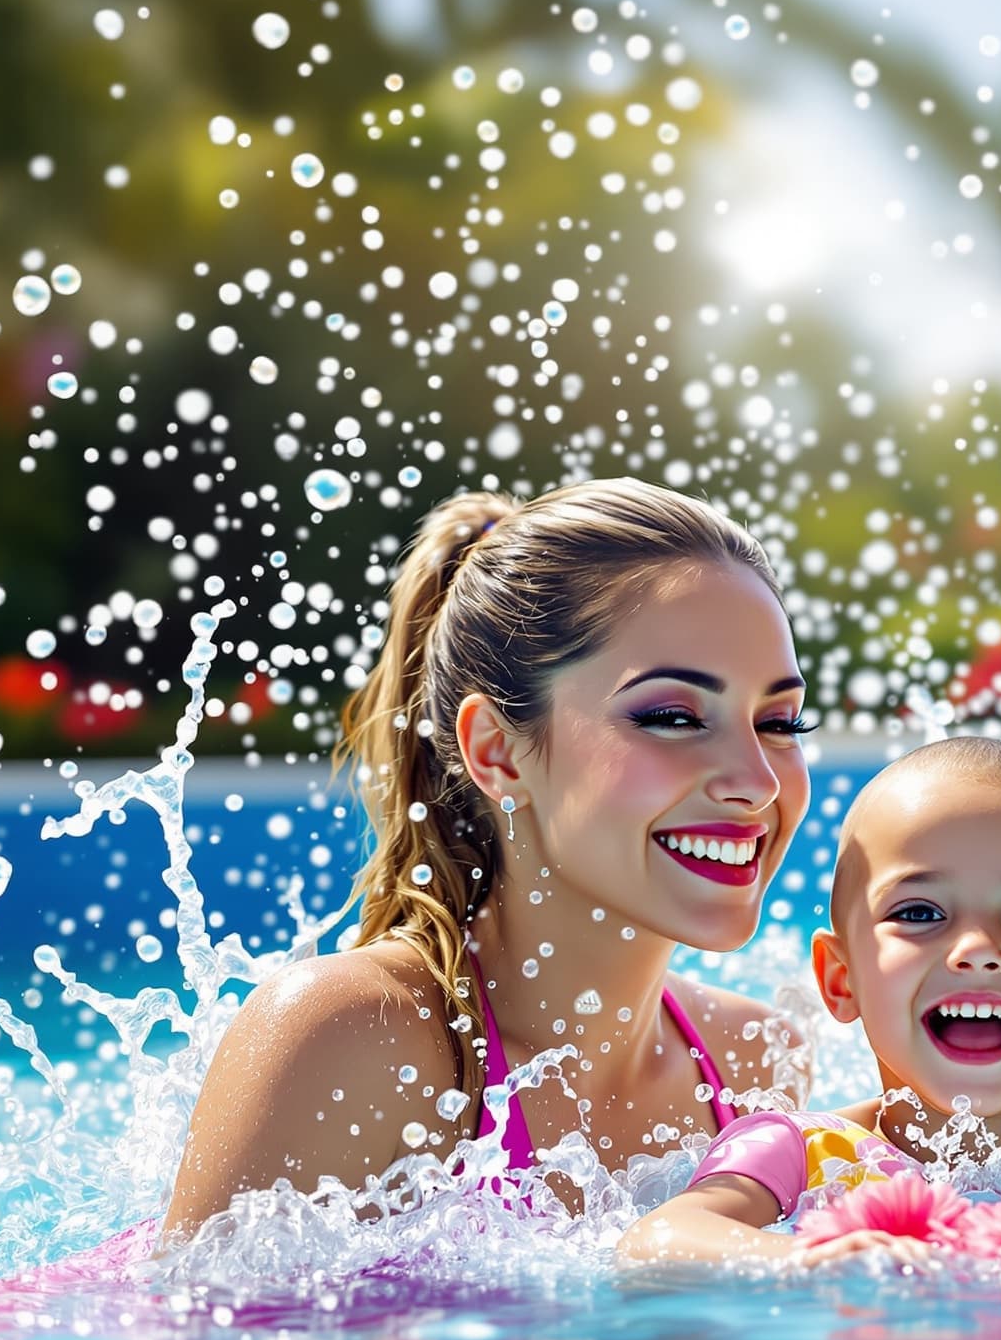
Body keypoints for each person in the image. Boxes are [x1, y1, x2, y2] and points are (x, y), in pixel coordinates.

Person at [159, 476, 815, 1237]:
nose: (756, 782)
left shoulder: (756, 1064)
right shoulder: (350, 1042)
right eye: (673, 716)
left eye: (780, 721)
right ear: (496, 750)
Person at [620, 738, 1001, 1265]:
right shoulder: (802, 1154)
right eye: (920, 913)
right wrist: (803, 1259)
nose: (977, 949)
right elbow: (659, 1238)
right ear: (841, 979)